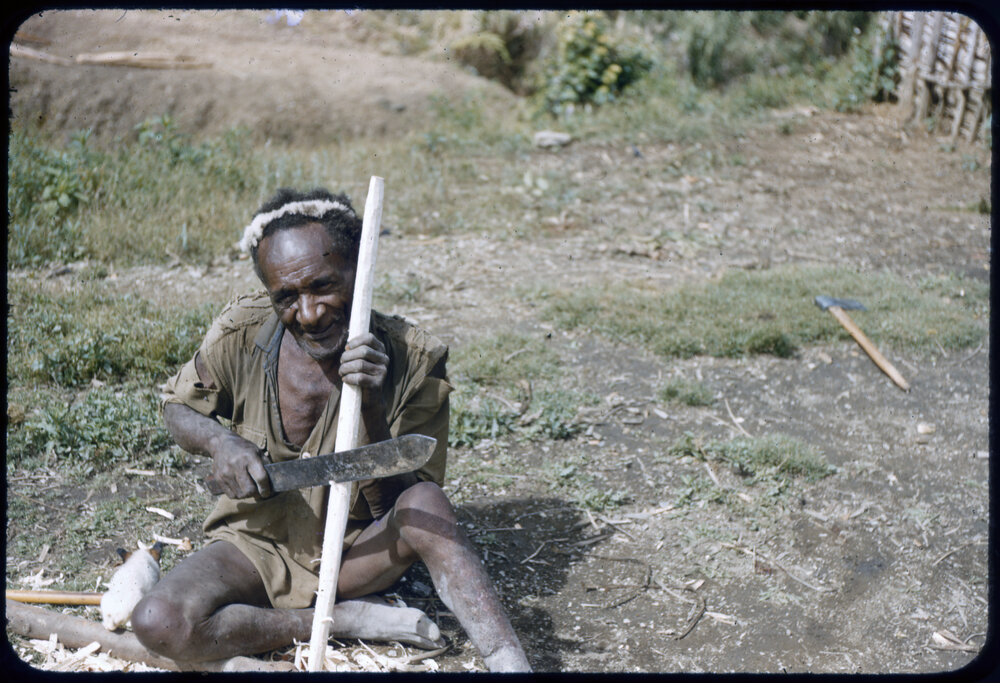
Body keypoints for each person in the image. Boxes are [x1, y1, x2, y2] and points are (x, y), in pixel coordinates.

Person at [131, 188, 531, 672]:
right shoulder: (243, 329)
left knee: (427, 506)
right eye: (287, 297)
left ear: (359, 270)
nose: (310, 313)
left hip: (356, 557)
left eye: (323, 285)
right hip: (252, 545)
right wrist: (221, 441)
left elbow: (400, 505)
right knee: (160, 623)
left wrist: (373, 406)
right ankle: (339, 621)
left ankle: (509, 661)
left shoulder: (414, 359)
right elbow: (177, 407)